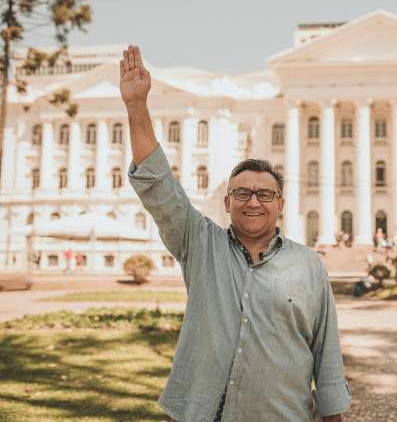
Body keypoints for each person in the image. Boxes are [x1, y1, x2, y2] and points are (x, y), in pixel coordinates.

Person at [120, 46, 350, 422]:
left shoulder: (308, 265)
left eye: (264, 194)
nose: (253, 202)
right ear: (227, 202)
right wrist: (136, 107)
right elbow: (159, 187)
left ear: (280, 204)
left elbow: (326, 352)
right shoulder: (200, 244)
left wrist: (333, 417)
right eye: (242, 192)